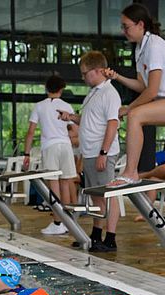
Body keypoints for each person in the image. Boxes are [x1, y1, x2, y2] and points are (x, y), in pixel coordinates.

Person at [104, 3, 165, 229]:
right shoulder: (141, 48)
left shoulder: (155, 45)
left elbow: (152, 91)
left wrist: (129, 108)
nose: (123, 31)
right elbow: (142, 85)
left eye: (126, 26)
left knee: (136, 116)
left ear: (140, 24)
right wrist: (118, 77)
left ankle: (131, 172)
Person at [70, 50, 122, 252]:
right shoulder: (94, 93)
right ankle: (96, 234)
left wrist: (104, 152)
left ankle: (111, 238)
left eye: (85, 73)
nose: (83, 78)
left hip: (101, 153)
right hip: (90, 152)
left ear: (98, 70)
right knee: (96, 196)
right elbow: (89, 122)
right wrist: (71, 117)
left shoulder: (109, 93)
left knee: (108, 194)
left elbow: (112, 124)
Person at [23, 74, 79, 238]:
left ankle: (57, 223)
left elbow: (31, 132)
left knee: (53, 185)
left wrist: (26, 153)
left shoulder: (39, 106)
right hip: (65, 146)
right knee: (66, 183)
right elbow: (74, 130)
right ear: (62, 89)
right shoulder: (67, 105)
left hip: (49, 147)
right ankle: (69, 222)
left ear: (46, 88)